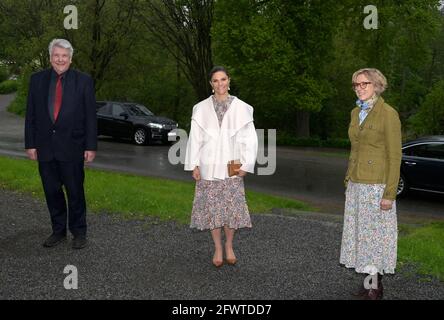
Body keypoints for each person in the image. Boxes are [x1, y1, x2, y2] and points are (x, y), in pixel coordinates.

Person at [25, 39, 97, 249]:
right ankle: (58, 231)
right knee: (51, 191)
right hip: (45, 148)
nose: (60, 59)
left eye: (64, 56)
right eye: (56, 55)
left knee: (75, 192)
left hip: (73, 148)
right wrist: (30, 144)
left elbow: (91, 117)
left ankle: (79, 232)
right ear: (50, 57)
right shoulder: (37, 80)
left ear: (71, 59)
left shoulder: (83, 81)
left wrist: (90, 146)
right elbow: (31, 115)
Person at [184, 66, 258, 267]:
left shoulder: (242, 108)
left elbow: (250, 140)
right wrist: (194, 165)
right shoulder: (200, 109)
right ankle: (217, 247)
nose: (220, 84)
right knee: (213, 211)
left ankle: (229, 246)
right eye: (215, 80)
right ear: (211, 84)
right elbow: (194, 139)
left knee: (231, 210)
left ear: (229, 80)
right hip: (208, 166)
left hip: (232, 165)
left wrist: (246, 164)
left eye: (223, 79)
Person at [340, 68, 402, 300]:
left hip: (377, 186)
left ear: (377, 85)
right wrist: (348, 178)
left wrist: (390, 194)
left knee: (375, 238)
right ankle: (368, 283)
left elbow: (395, 156)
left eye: (364, 84)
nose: (359, 88)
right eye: (356, 85)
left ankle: (376, 288)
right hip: (356, 183)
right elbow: (355, 148)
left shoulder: (388, 113)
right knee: (361, 237)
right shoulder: (356, 112)